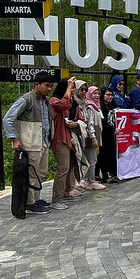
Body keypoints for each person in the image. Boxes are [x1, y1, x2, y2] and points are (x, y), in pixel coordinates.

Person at [3, 71, 55, 214]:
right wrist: (14, 138)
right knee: (31, 173)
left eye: (51, 86)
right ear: (36, 84)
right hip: (30, 142)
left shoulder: (46, 101)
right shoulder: (26, 99)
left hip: (43, 142)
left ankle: (36, 199)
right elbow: (8, 118)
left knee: (41, 172)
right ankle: (30, 203)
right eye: (46, 85)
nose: (49, 89)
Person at [49, 77, 81, 210]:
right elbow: (64, 104)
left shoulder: (70, 101)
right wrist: (68, 88)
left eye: (73, 87)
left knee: (69, 166)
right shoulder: (54, 101)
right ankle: (56, 199)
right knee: (62, 168)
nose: (73, 90)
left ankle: (66, 191)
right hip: (59, 138)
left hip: (67, 136)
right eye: (71, 87)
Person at [79, 84, 106, 191]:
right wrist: (93, 137)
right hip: (91, 137)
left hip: (96, 135)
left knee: (91, 158)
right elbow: (90, 124)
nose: (97, 95)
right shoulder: (90, 107)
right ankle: (90, 181)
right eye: (94, 93)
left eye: (98, 93)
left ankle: (86, 179)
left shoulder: (97, 105)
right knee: (92, 159)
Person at [98, 88, 119, 183]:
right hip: (103, 133)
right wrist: (113, 129)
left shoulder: (110, 106)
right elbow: (104, 121)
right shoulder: (100, 106)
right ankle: (104, 176)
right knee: (103, 154)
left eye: (111, 95)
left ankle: (100, 173)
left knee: (106, 154)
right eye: (107, 95)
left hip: (110, 134)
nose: (110, 97)